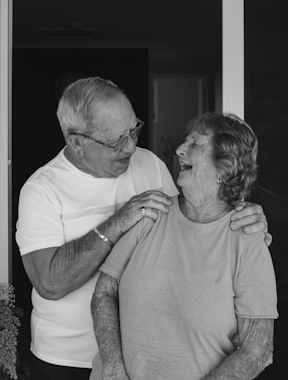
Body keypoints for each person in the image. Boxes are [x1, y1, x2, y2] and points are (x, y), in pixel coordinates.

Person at [15, 77, 268, 380]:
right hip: (68, 358)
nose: (131, 146)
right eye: (115, 141)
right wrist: (117, 223)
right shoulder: (42, 189)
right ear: (77, 142)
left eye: (133, 130)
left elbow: (191, 221)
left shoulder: (149, 165)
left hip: (142, 359)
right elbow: (50, 284)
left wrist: (242, 218)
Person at [91, 112, 278, 380]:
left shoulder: (246, 239)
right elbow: (104, 292)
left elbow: (257, 350)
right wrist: (113, 369)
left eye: (196, 143)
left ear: (224, 168)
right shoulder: (152, 212)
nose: (180, 149)